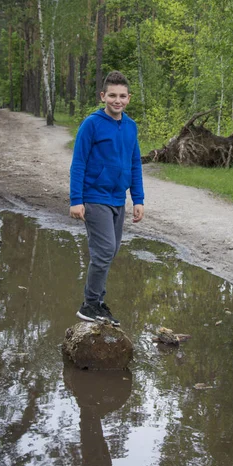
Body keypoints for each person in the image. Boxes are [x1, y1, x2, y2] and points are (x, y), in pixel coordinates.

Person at [69, 70, 144, 326]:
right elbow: (78, 162)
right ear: (103, 96)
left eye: (122, 96)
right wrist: (75, 200)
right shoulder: (92, 124)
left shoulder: (131, 126)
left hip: (117, 200)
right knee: (103, 252)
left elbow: (135, 164)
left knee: (110, 252)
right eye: (112, 95)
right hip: (94, 196)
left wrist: (138, 199)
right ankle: (90, 305)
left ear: (129, 98)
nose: (117, 100)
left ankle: (98, 302)